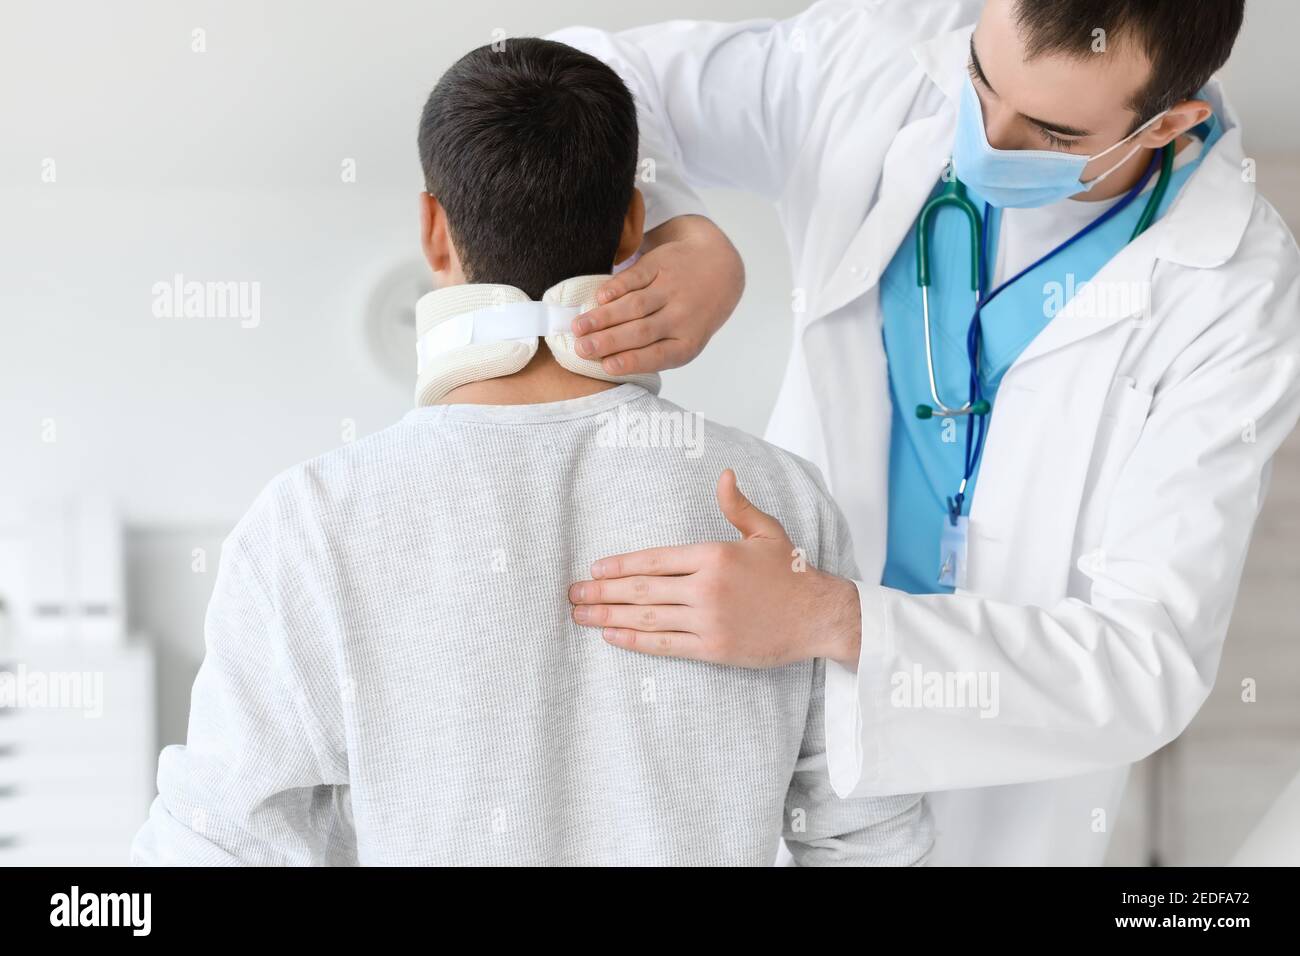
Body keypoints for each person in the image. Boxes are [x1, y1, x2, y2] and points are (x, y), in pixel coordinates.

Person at [129, 37, 932, 866]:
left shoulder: (311, 521)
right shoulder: (780, 501)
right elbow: (872, 840)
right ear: (631, 222)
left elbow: (214, 847)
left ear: (433, 229)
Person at [555, 0, 1300, 864]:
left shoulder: (1237, 290)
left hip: (998, 807)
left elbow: (1145, 664)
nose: (984, 134)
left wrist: (832, 620)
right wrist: (683, 227)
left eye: (1051, 132)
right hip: (762, 754)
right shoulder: (877, 57)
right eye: (981, 79)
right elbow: (580, 72)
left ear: (1173, 123)